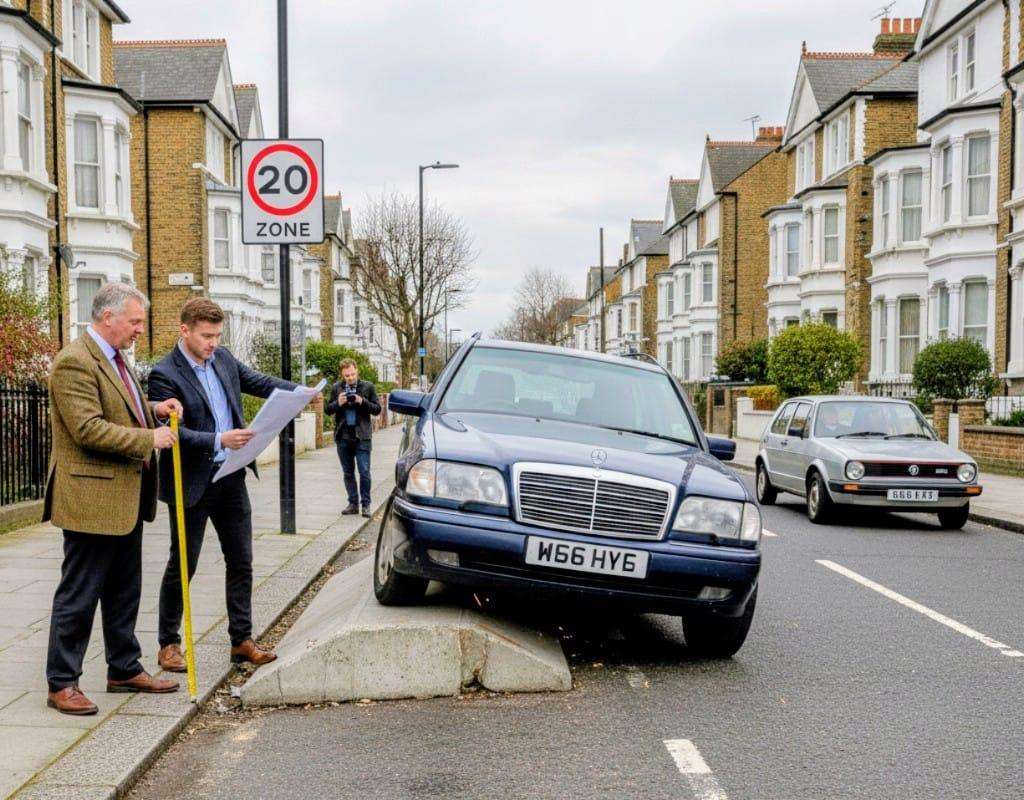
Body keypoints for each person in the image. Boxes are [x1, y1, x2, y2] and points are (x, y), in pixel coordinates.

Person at [44, 282, 183, 716]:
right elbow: (87, 428)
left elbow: (122, 407)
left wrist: (154, 409)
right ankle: (62, 682)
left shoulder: (115, 358)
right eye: (136, 320)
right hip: (91, 497)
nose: (141, 328)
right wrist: (151, 436)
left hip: (124, 496)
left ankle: (123, 667)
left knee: (125, 590)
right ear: (108, 317)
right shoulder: (74, 362)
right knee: (80, 593)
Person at [147, 298, 300, 673]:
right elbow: (174, 433)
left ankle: (242, 641)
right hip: (192, 481)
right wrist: (219, 440)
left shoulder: (225, 359)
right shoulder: (165, 373)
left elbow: (259, 383)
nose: (213, 342)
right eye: (206, 336)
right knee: (183, 564)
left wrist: (302, 392)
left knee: (241, 560)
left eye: (217, 335)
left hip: (230, 477)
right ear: (185, 331)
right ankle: (168, 644)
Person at [326, 359, 381, 517]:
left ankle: (366, 505)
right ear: (342, 375)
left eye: (352, 374)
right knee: (348, 472)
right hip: (343, 436)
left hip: (362, 436)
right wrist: (338, 402)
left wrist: (362, 401)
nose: (350, 378)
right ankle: (353, 503)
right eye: (346, 375)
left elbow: (377, 409)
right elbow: (328, 410)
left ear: (357, 371)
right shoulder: (337, 388)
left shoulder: (368, 387)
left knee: (364, 472)